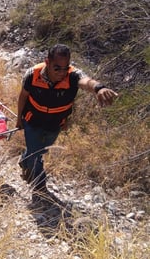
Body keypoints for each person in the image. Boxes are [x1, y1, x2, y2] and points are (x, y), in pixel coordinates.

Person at [16, 44, 118, 203]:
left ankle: (25, 160)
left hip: (55, 124)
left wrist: (98, 88)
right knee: (36, 154)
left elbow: (86, 81)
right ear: (47, 62)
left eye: (65, 68)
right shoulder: (33, 74)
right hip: (32, 120)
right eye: (57, 68)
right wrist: (18, 119)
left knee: (40, 150)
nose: (62, 73)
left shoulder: (72, 75)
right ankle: (40, 187)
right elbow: (23, 96)